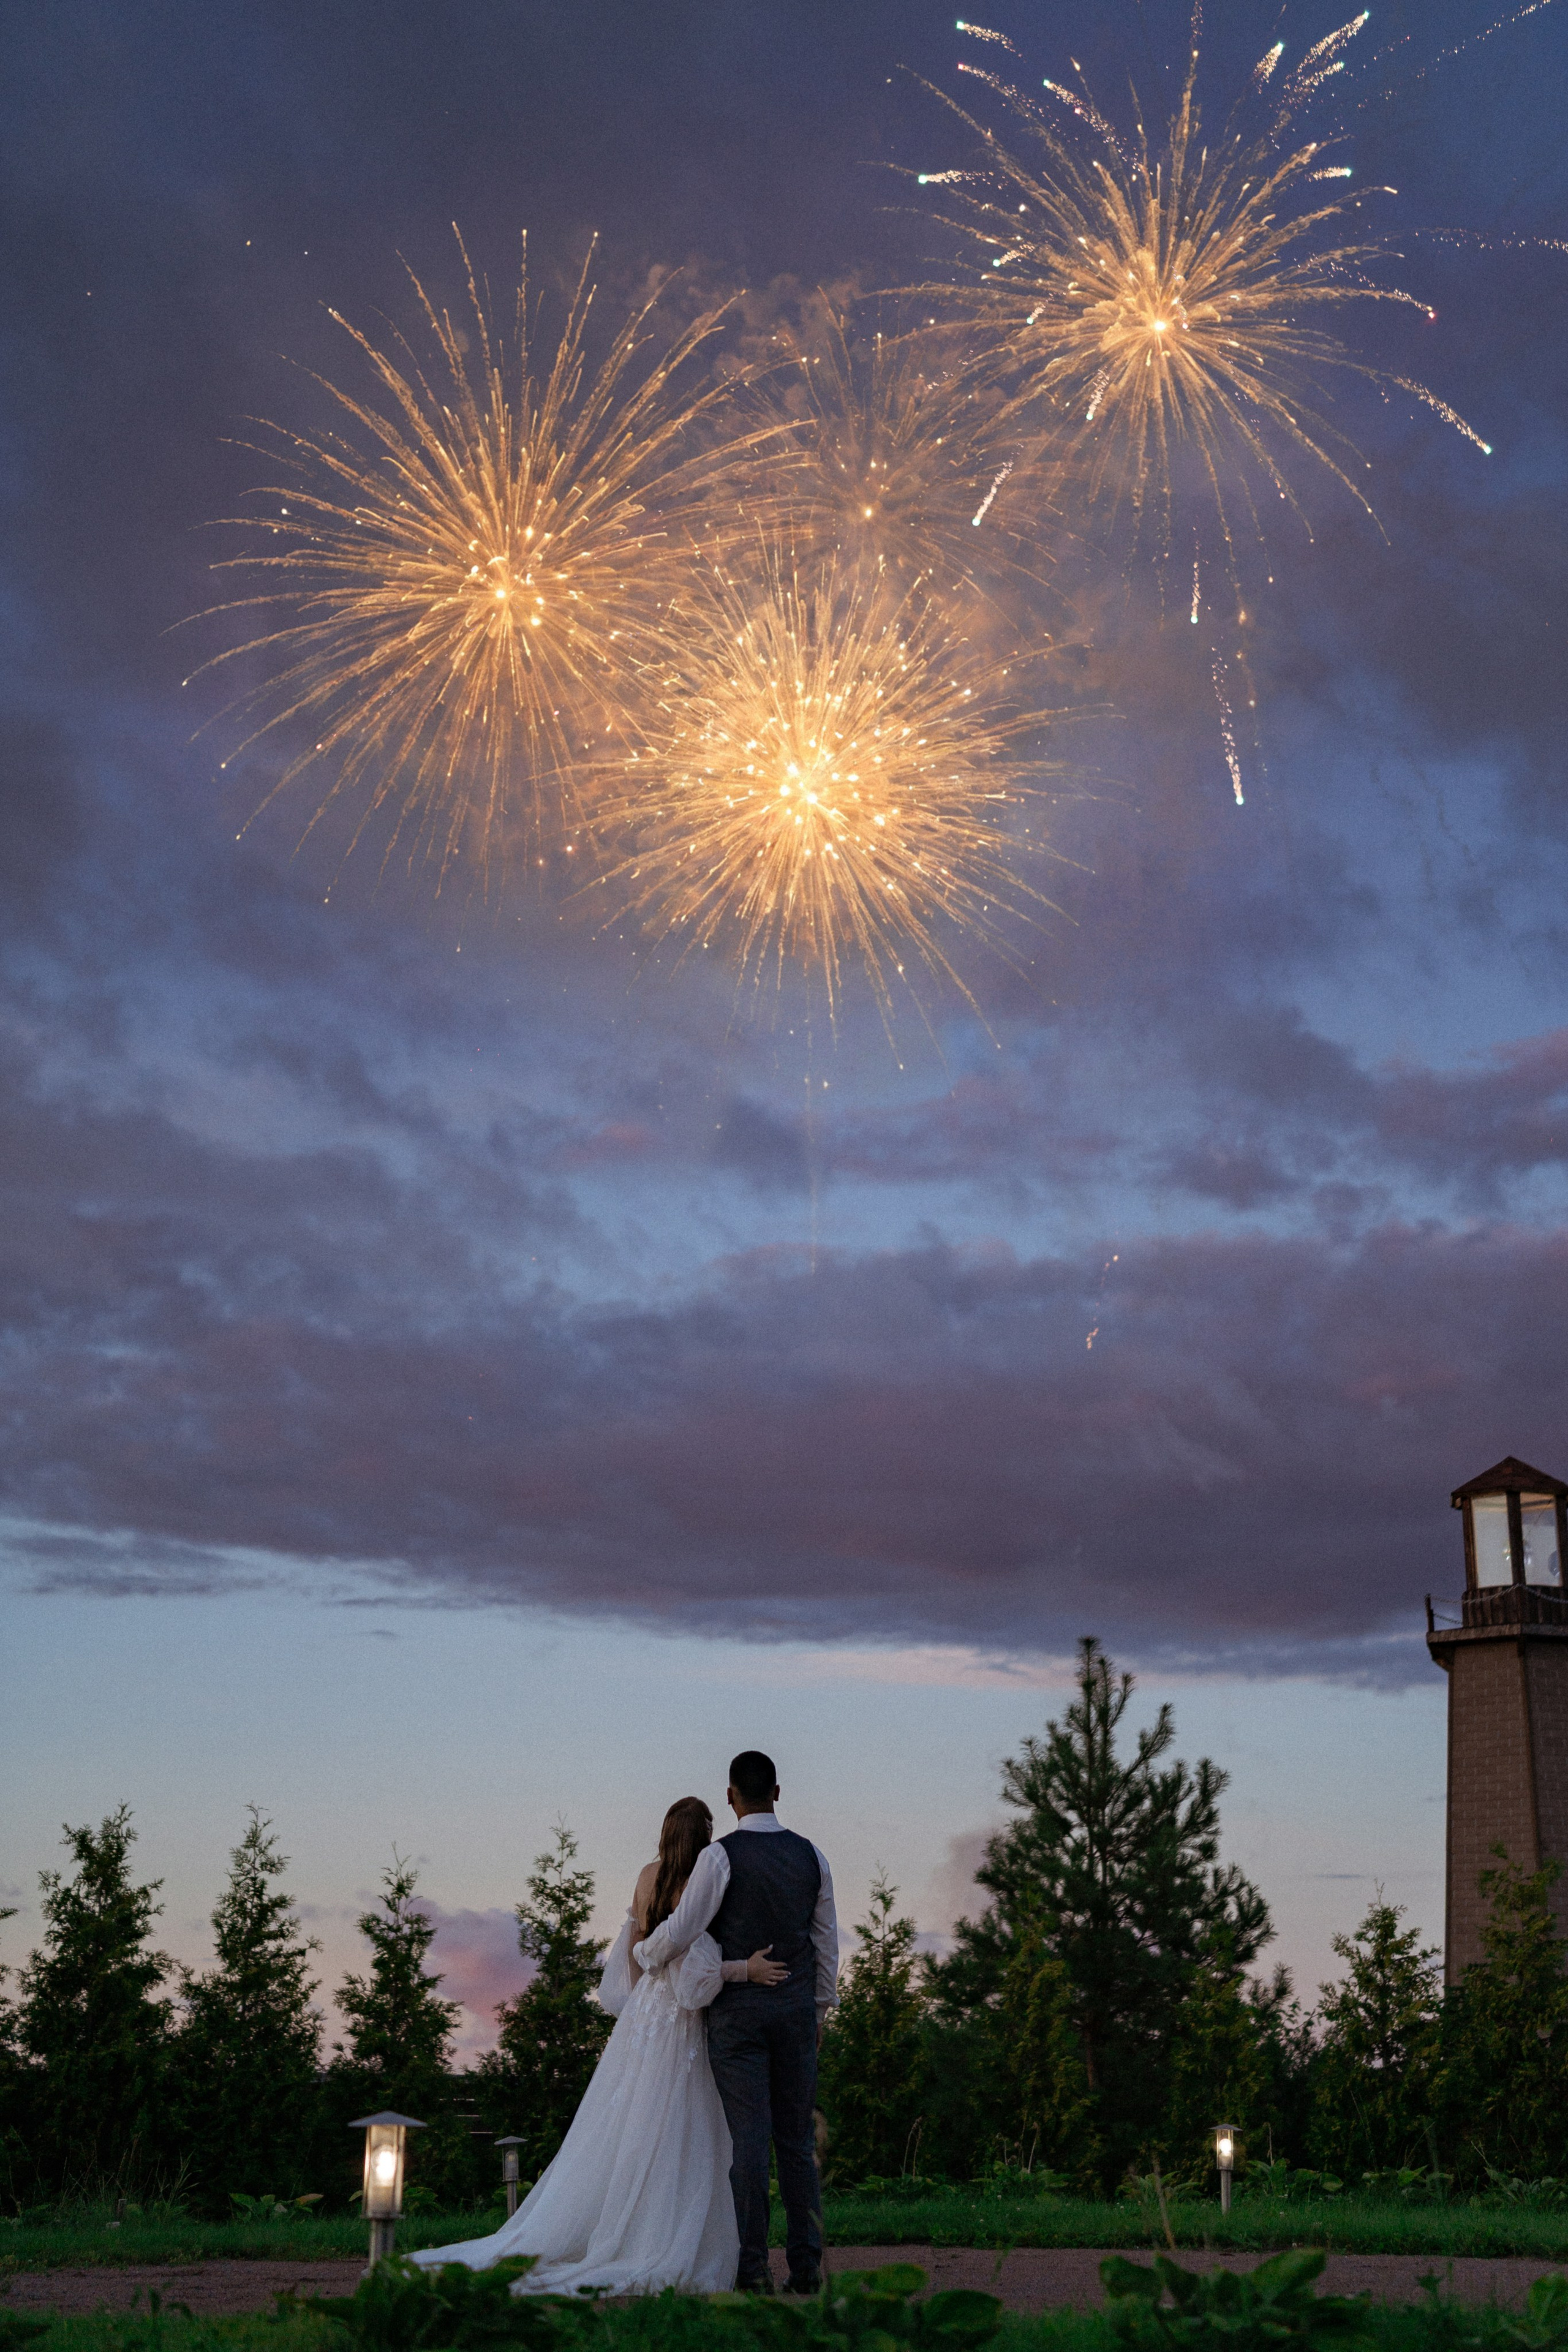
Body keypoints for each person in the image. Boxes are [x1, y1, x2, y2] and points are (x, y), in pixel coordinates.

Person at [410, 1795, 786, 2296]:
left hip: (649, 2011)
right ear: (704, 1834)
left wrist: (637, 2010)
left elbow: (635, 1949)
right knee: (684, 2123)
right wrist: (736, 1973)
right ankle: (659, 2234)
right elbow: (694, 1966)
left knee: (634, 2120)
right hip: (686, 2015)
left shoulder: (647, 1876)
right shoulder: (705, 1878)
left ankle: (621, 2221)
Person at [634, 1751, 838, 2296]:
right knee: (796, 2143)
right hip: (795, 2016)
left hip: (738, 2021)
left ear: (731, 1797)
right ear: (777, 1791)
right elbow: (825, 1942)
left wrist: (649, 1953)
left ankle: (752, 2271)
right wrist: (820, 2009)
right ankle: (807, 2268)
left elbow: (682, 1929)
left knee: (748, 2143)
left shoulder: (720, 1859)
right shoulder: (813, 1856)